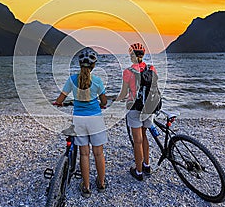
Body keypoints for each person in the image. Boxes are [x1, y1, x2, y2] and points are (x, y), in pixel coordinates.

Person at [54, 47, 108, 198]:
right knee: (98, 153)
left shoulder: (72, 80)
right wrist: (102, 104)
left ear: (79, 65)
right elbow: (104, 100)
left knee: (84, 154)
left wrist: (57, 103)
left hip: (79, 120)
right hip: (96, 120)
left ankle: (86, 187)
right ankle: (102, 184)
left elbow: (60, 99)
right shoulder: (97, 81)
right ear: (93, 66)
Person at [116, 43, 157, 181]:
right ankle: (147, 164)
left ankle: (138, 172)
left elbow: (123, 93)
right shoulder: (152, 68)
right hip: (149, 107)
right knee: (144, 136)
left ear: (131, 55)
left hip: (134, 108)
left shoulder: (128, 72)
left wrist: (116, 100)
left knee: (137, 141)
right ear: (143, 55)